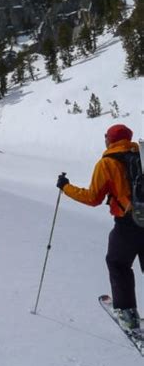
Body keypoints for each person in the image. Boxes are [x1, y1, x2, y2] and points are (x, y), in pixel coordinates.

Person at [56, 124, 144, 330]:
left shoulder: (107, 163)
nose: (105, 139)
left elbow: (93, 198)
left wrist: (65, 187)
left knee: (118, 263)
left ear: (111, 139)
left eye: (106, 136)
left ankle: (128, 314)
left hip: (127, 224)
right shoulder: (141, 156)